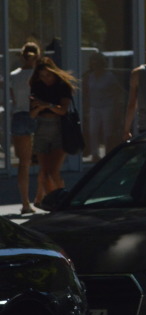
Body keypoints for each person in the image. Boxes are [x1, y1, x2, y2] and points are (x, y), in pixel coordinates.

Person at [29, 56, 77, 208]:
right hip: (42, 127)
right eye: (42, 76)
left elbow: (62, 110)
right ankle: (49, 200)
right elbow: (32, 114)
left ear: (53, 73)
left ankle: (62, 200)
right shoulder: (37, 86)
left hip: (59, 128)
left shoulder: (62, 86)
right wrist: (39, 107)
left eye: (48, 75)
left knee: (53, 171)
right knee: (44, 171)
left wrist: (46, 105)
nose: (45, 79)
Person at [8, 42, 40, 213]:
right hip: (37, 114)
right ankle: (41, 197)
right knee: (44, 159)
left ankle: (25, 203)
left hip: (20, 116)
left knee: (24, 163)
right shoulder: (39, 75)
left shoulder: (14, 75)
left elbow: (13, 97)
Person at [83, 51, 124, 163]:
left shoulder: (109, 76)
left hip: (107, 106)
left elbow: (118, 91)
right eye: (93, 63)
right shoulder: (89, 77)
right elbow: (86, 93)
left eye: (97, 62)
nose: (94, 65)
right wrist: (86, 108)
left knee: (107, 131)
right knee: (93, 131)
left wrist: (116, 107)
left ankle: (108, 154)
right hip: (94, 107)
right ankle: (95, 155)